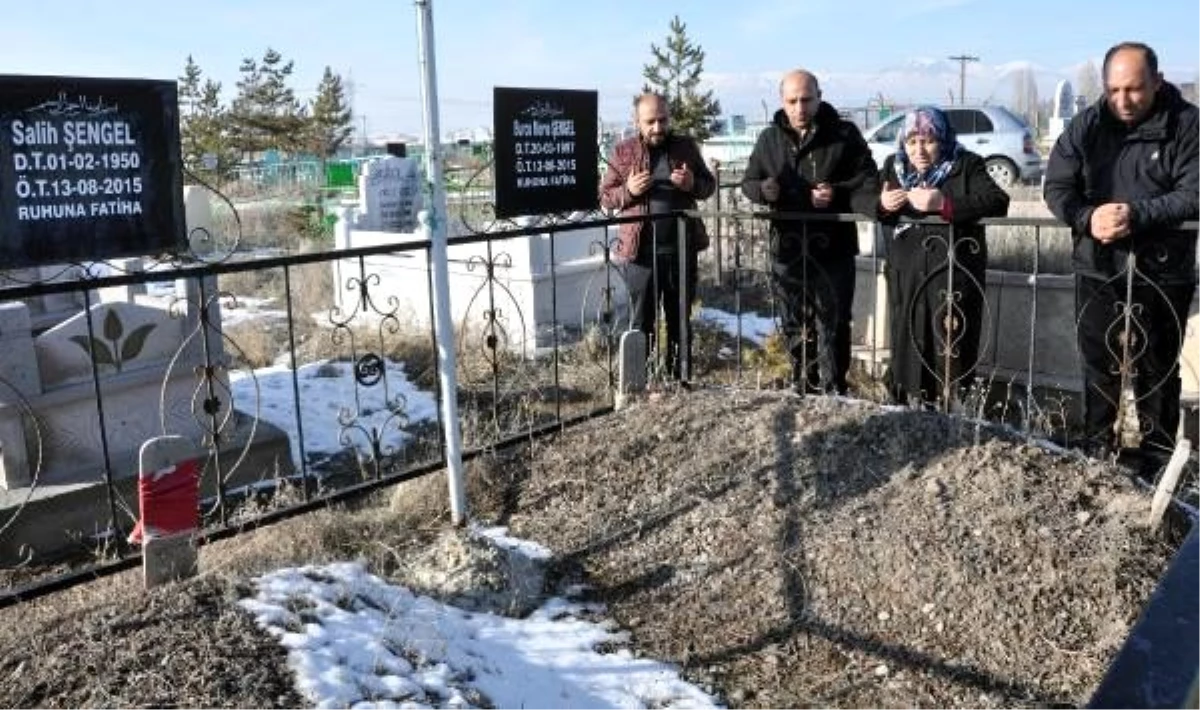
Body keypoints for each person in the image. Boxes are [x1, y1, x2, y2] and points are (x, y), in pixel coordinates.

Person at [1043, 41, 1200, 471]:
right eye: (1113, 90)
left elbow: (1194, 193)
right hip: (1098, 265)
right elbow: (1057, 187)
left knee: (1157, 368)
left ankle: (1157, 457)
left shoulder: (1187, 125)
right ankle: (1097, 448)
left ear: (1157, 81)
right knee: (1098, 363)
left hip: (1163, 270)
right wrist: (1087, 217)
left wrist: (1137, 215)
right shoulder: (1087, 125)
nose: (1123, 101)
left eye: (1133, 89)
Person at [741, 69, 878, 394]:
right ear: (782, 101)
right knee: (793, 322)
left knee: (832, 321)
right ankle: (803, 383)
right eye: (793, 101)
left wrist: (837, 194)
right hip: (787, 247)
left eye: (806, 99)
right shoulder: (769, 138)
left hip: (833, 247)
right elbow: (749, 182)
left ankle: (833, 390)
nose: (800, 107)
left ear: (819, 96)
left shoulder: (843, 134)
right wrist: (765, 190)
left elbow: (867, 178)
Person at [877, 106, 1010, 407]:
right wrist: (883, 203)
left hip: (952, 277)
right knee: (908, 343)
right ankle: (909, 409)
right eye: (912, 141)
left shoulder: (965, 164)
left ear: (944, 139)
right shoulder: (893, 168)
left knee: (950, 350)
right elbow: (871, 202)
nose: (919, 150)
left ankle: (952, 414)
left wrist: (944, 204)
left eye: (929, 141)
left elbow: (997, 201)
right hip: (907, 276)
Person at [600, 92, 716, 381]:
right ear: (636, 121)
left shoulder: (685, 147)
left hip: (681, 249)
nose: (657, 127)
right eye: (650, 121)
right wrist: (629, 191)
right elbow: (604, 197)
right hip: (640, 254)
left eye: (662, 120)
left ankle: (680, 380)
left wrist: (691, 184)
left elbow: (708, 186)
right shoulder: (623, 151)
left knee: (679, 320)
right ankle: (643, 382)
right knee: (642, 323)